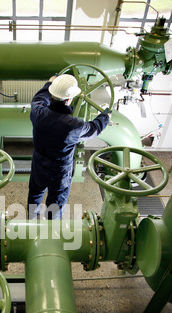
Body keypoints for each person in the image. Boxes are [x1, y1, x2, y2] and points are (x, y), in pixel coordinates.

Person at [27, 74, 111, 220]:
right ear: (69, 99)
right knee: (56, 201)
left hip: (39, 163)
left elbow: (38, 99)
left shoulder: (38, 113)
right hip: (59, 170)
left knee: (35, 192)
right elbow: (94, 128)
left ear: (52, 95)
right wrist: (105, 117)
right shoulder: (74, 126)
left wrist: (50, 83)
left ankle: (31, 220)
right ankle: (51, 229)